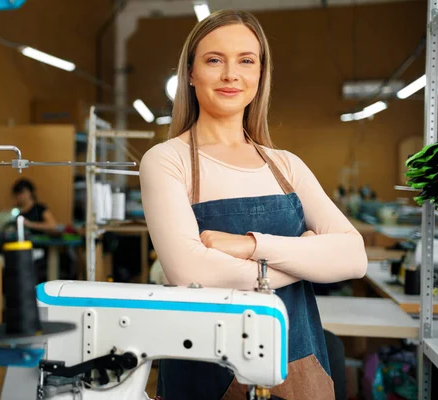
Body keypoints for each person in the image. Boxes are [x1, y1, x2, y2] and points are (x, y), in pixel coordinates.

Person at [139, 10, 367, 400]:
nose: (231, 74)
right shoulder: (166, 160)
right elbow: (189, 272)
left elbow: (354, 257)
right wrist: (305, 260)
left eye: (246, 60)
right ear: (190, 74)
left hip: (297, 366)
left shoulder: (285, 165)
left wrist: (250, 246)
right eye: (215, 60)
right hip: (203, 374)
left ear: (260, 75)